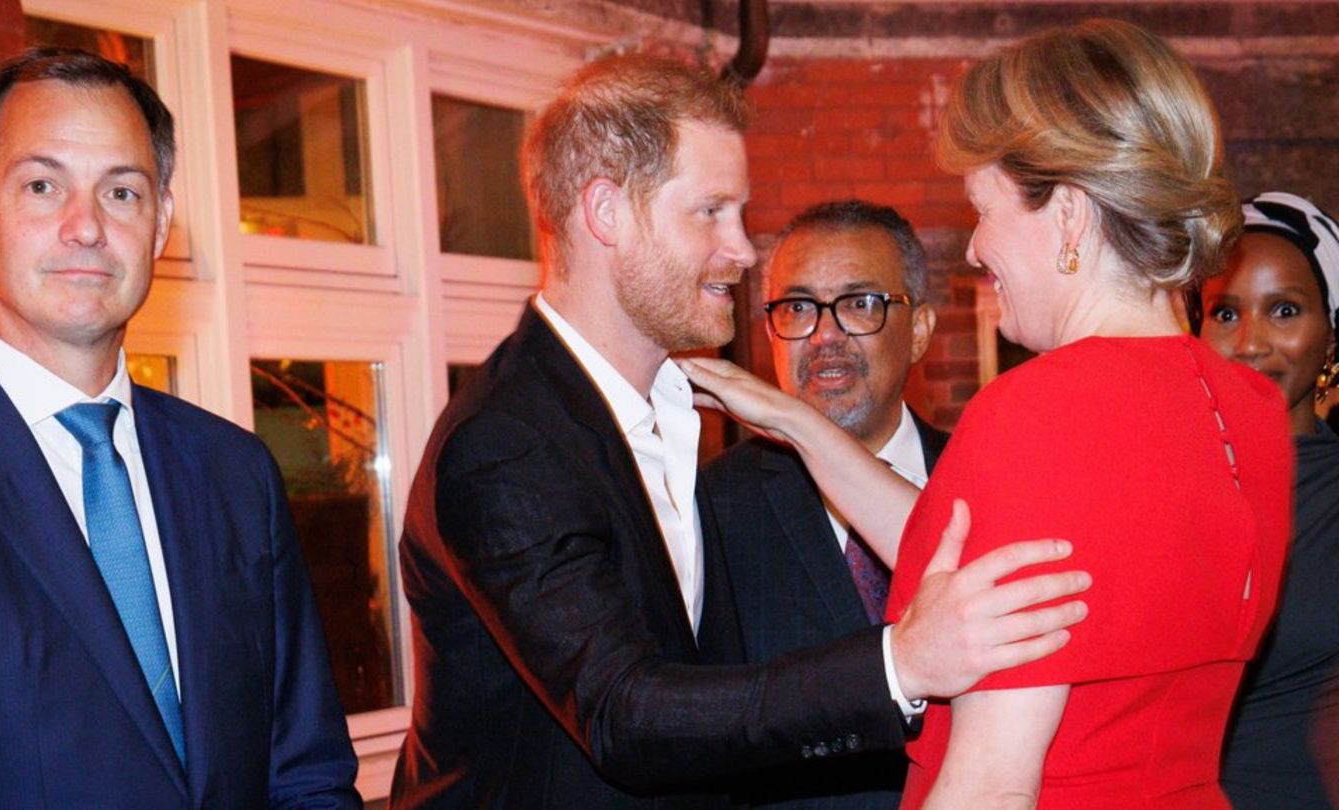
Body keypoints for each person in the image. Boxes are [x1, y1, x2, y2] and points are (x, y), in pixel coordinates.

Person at [391, 55, 1091, 808]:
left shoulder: (676, 411)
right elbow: (626, 714)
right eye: (710, 212)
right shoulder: (507, 443)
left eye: (741, 214)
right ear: (606, 214)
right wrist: (901, 664)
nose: (744, 251)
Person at [681, 19, 1293, 809]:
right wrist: (798, 423)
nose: (974, 249)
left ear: (1069, 216)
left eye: (985, 209)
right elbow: (981, 564)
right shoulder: (1251, 408)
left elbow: (991, 783)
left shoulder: (1039, 410)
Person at [0, 49, 360, 807]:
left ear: (162, 223)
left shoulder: (235, 472)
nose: (86, 227)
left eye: (122, 192)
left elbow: (306, 770)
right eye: (43, 186)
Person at [702, 200, 946, 808]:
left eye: (861, 303)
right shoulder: (712, 507)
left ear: (919, 331)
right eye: (799, 307)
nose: (825, 335)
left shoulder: (988, 479)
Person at [1201, 191, 1339, 808]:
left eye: (1284, 310)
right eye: (1225, 314)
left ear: (1332, 336)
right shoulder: (1157, 484)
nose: (1250, 343)